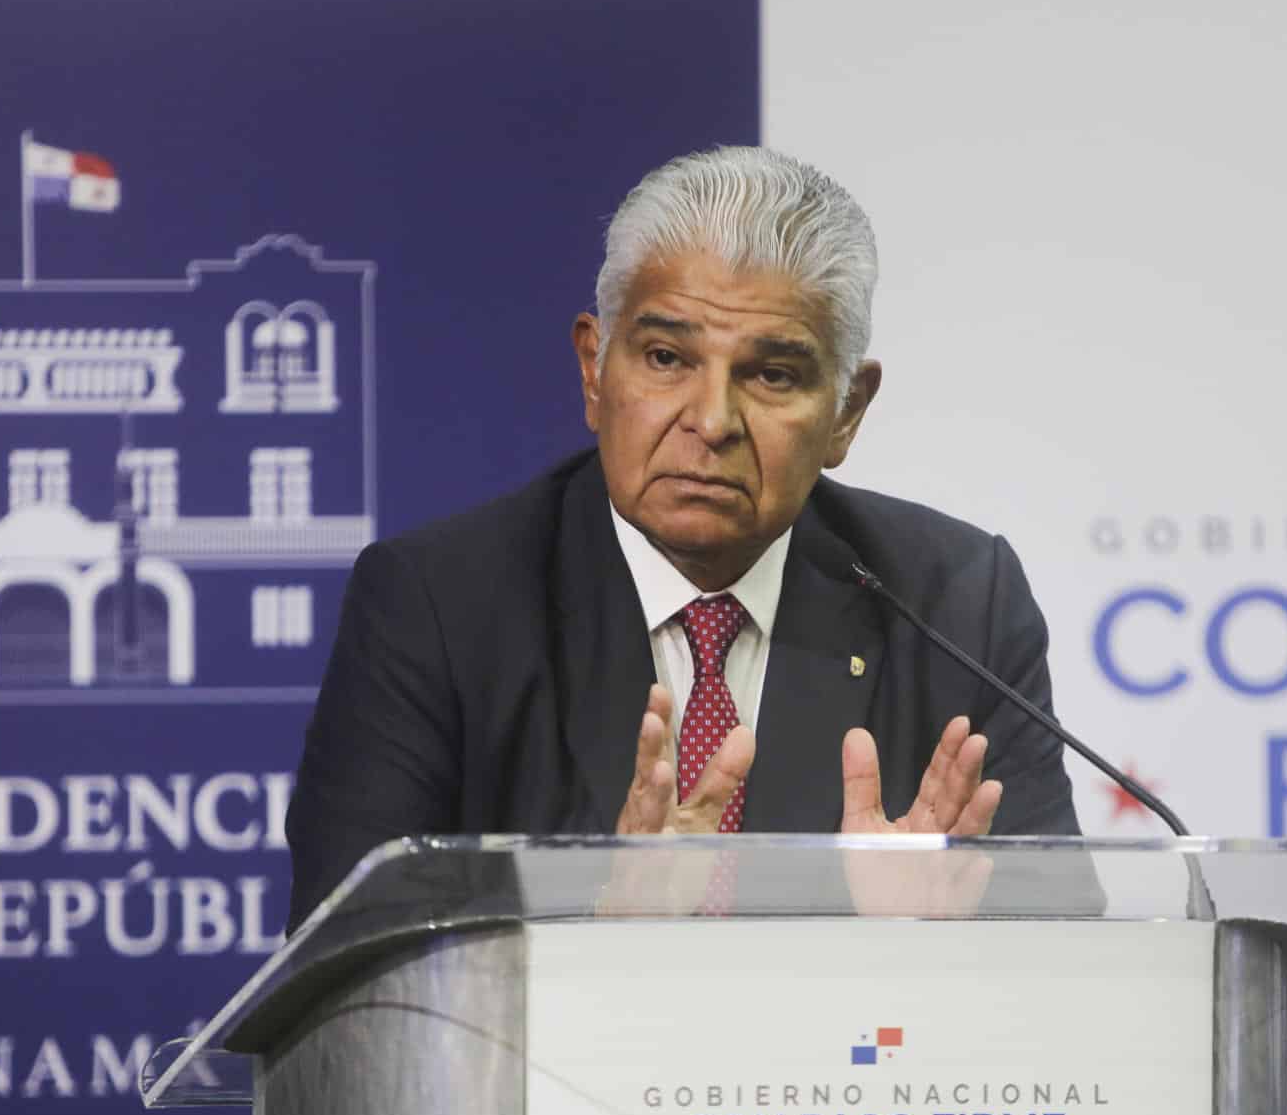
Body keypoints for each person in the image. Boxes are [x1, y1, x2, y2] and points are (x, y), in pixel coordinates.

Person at [285, 146, 1080, 928]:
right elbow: (348, 969)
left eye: (772, 375)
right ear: (595, 371)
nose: (711, 422)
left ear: (846, 412)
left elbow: (1074, 966)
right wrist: (603, 938)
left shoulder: (956, 604)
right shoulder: (439, 606)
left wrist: (925, 956)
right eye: (666, 357)